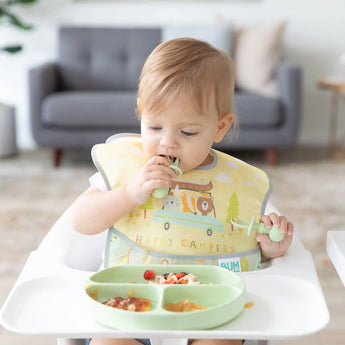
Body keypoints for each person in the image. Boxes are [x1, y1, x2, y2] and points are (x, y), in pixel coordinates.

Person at [71, 37, 294, 345]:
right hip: (129, 305)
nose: (167, 142)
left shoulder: (239, 183)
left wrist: (270, 249)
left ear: (220, 127)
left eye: (187, 132)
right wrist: (129, 194)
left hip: (212, 310)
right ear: (140, 113)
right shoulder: (127, 169)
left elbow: (251, 245)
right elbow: (81, 221)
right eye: (154, 127)